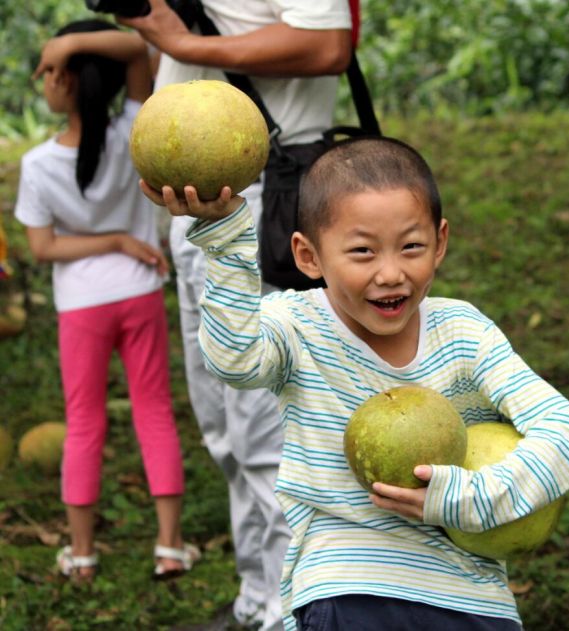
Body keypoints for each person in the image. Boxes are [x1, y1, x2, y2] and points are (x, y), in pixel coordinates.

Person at [142, 136, 569, 630]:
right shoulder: (297, 327)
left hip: (468, 592)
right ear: (309, 256)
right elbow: (234, 360)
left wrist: (472, 498)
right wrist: (224, 232)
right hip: (346, 583)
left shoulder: (463, 334)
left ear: (440, 242)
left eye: (412, 247)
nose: (390, 273)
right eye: (362, 251)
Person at [120, 2, 353, 629]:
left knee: (265, 427)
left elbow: (328, 43)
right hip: (199, 191)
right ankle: (258, 597)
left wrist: (185, 42)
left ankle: (288, 611)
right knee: (223, 423)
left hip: (262, 192)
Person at [14, 20, 199, 582]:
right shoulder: (137, 133)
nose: (43, 79)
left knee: (84, 423)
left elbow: (43, 248)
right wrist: (121, 239)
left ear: (66, 81)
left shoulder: (39, 164)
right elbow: (138, 49)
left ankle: (83, 553)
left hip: (81, 307)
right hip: (139, 293)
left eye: (49, 70)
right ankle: (170, 547)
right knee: (154, 413)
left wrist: (65, 43)